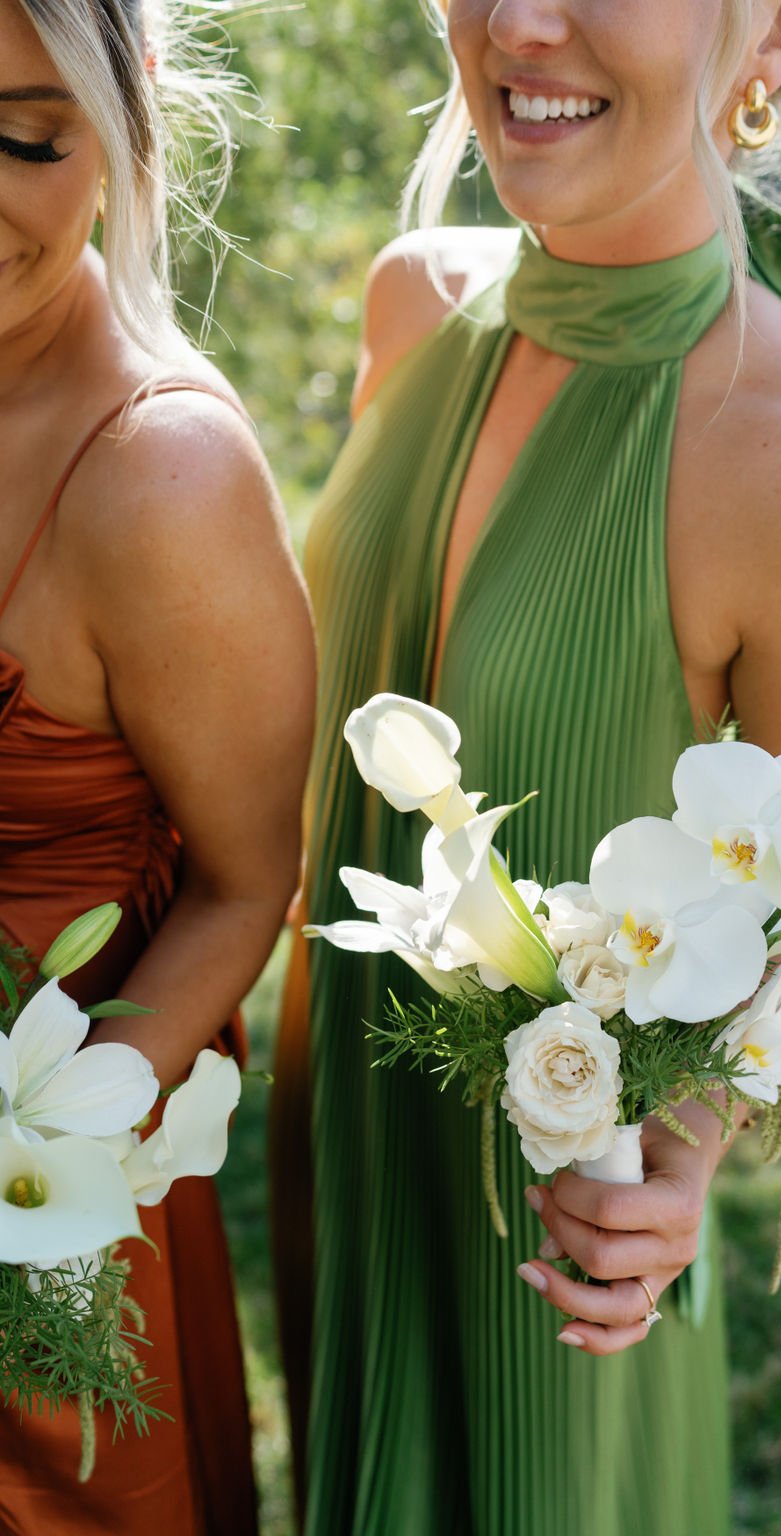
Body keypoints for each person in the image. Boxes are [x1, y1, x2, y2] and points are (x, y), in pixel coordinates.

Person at [272, 0, 781, 1529]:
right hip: (346, 1165)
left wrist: (674, 1179)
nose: (516, 21)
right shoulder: (412, 306)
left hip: (546, 1260)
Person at [0, 1, 315, 1531]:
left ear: (121, 132)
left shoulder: (162, 475)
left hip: (50, 1227)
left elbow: (252, 879)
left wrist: (41, 1149)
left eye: (21, 137)